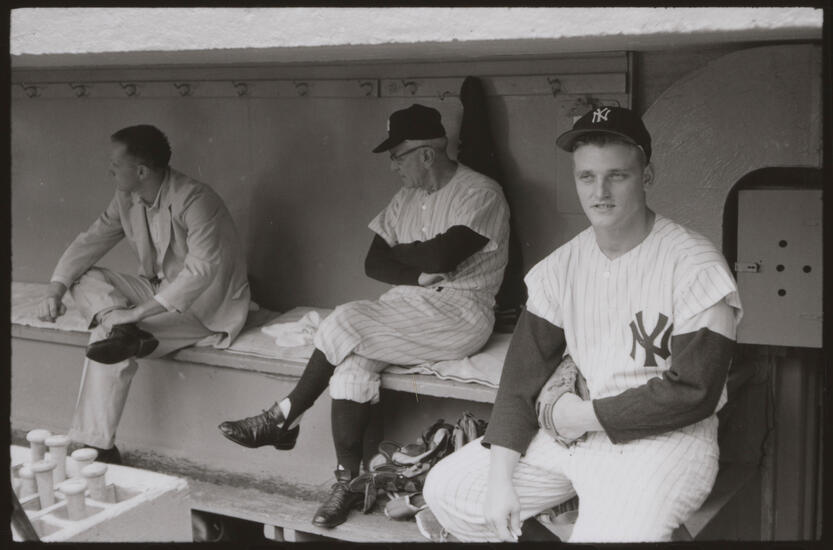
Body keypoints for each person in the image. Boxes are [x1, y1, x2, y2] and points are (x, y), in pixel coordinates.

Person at [422, 106, 743, 542]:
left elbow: (694, 392)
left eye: (617, 176)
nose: (600, 192)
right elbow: (519, 382)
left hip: (666, 442)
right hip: (574, 437)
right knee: (451, 491)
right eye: (586, 177)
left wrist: (582, 416)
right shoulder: (561, 267)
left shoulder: (695, 265)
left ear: (646, 176)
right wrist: (500, 482)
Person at [218, 103, 510, 528]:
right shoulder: (405, 198)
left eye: (398, 157)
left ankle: (284, 416)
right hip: (407, 304)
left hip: (460, 312)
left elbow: (444, 256)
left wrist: (411, 257)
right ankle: (347, 482)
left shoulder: (480, 191)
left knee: (345, 318)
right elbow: (374, 263)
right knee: (352, 366)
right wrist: (419, 270)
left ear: (427, 154)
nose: (394, 167)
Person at [35, 124, 250, 464]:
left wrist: (135, 314)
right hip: (156, 291)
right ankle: (121, 331)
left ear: (141, 171)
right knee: (83, 278)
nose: (109, 170)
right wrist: (55, 289)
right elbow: (91, 241)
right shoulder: (127, 196)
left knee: (105, 334)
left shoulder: (197, 200)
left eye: (115, 164)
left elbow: (200, 273)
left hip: (204, 306)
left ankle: (96, 447)